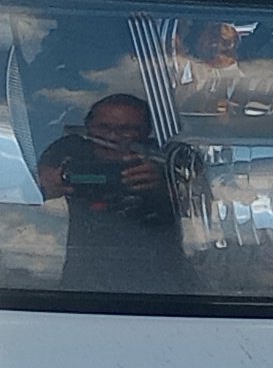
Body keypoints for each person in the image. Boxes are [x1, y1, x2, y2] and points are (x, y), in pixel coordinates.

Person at [35, 91, 180, 285]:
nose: (113, 137)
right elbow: (29, 190)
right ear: (88, 128)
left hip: (169, 291)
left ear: (147, 133)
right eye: (103, 127)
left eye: (127, 130)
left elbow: (202, 209)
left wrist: (164, 187)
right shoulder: (68, 152)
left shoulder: (169, 160)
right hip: (77, 287)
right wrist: (48, 184)